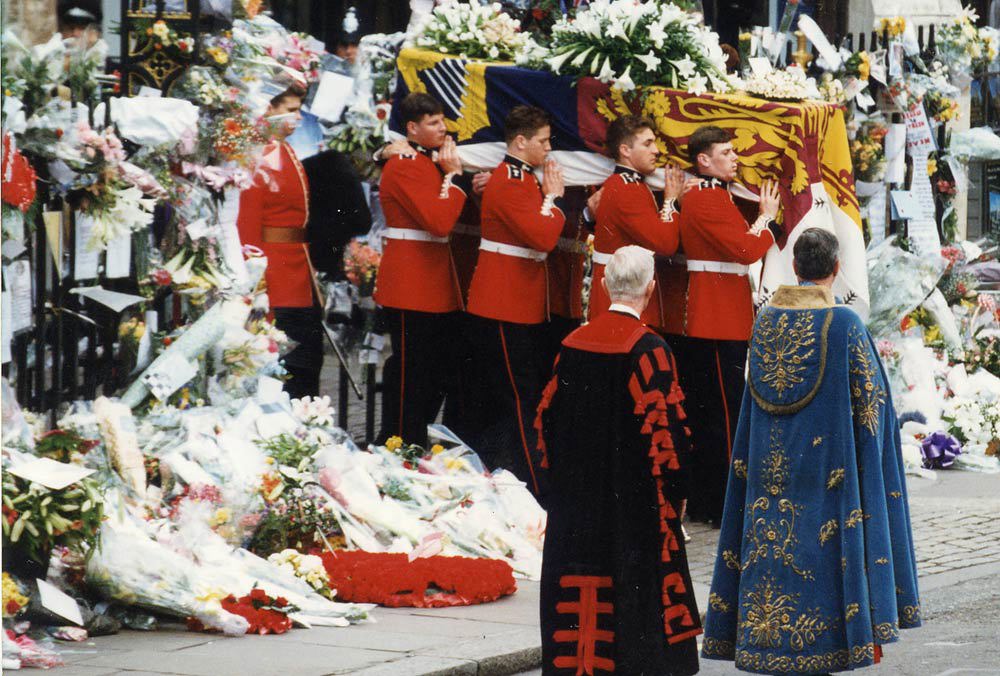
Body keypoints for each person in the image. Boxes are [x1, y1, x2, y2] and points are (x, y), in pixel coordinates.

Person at [702, 228, 920, 675]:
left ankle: (767, 650)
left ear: (796, 268)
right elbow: (873, 406)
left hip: (770, 477)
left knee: (772, 555)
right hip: (827, 478)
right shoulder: (844, 324)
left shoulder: (764, 322)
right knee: (819, 568)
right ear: (836, 269)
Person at [536, 245, 701, 676]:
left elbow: (545, 423)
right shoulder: (649, 349)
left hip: (574, 506)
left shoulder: (571, 344)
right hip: (633, 506)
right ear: (650, 288)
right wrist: (679, 494)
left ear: (606, 283)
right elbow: (670, 436)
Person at [679, 124, 780, 527]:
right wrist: (766, 219)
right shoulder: (707, 199)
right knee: (723, 418)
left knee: (717, 415)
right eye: (726, 153)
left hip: (720, 314)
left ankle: (713, 500)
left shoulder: (713, 195)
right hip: (717, 319)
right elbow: (745, 250)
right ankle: (722, 503)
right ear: (704, 161)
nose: (735, 158)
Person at [465, 105, 566, 495]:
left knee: (517, 397)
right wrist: (553, 199)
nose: (548, 149)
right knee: (517, 400)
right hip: (503, 306)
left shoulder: (518, 177)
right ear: (520, 142)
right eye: (542, 141)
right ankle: (529, 483)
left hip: (515, 304)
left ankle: (515, 475)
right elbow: (542, 237)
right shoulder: (508, 181)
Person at [374, 92, 468, 449]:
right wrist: (455, 180)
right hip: (411, 283)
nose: (443, 128)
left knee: (429, 371)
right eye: (433, 123)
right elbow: (439, 222)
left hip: (430, 282)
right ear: (412, 129)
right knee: (412, 371)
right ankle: (397, 440)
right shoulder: (406, 165)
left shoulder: (426, 162)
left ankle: (411, 437)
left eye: (442, 120)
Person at [237, 83, 325, 400]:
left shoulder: (282, 147)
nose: (298, 118)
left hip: (296, 269)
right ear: (269, 109)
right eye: (290, 110)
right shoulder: (258, 152)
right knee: (288, 362)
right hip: (275, 273)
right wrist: (255, 278)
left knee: (304, 360)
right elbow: (248, 222)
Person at [589, 115, 688, 330]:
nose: (656, 150)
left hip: (624, 290)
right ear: (625, 150)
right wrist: (671, 200)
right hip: (622, 298)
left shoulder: (629, 185)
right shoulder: (627, 190)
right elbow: (665, 244)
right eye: (647, 143)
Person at [301, 149, 372, 281]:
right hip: (338, 248)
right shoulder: (346, 173)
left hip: (309, 245)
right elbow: (363, 223)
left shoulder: (307, 168)